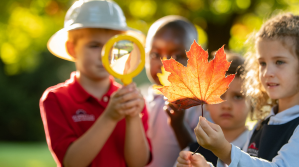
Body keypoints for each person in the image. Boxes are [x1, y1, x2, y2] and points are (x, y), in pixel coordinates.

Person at [177, 13, 299, 167]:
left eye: (279, 62)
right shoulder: (263, 124)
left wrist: (225, 151)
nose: (267, 73)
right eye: (262, 63)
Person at [40, 1, 151, 167]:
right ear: (72, 49)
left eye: (113, 46)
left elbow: (138, 163)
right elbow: (71, 162)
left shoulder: (131, 100)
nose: (104, 55)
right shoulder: (55, 99)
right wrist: (110, 116)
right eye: (94, 46)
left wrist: (133, 116)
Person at [171, 51, 251, 167]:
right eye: (218, 96)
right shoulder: (192, 154)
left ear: (253, 101)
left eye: (238, 97)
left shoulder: (261, 148)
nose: (226, 105)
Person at [144, 15, 199, 167]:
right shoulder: (142, 101)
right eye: (156, 55)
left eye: (176, 56)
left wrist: (179, 125)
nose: (165, 64)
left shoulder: (197, 106)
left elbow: (202, 157)